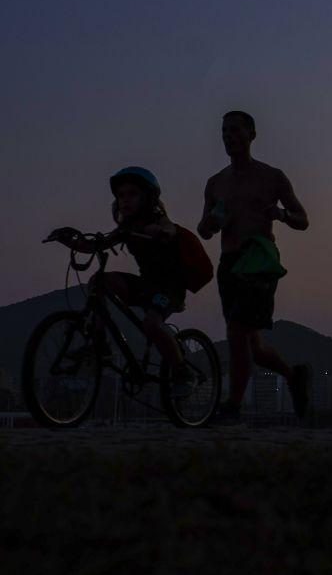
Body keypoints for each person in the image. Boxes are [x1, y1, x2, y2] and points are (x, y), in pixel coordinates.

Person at [198, 110, 311, 423]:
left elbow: (303, 219)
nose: (228, 136)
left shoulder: (272, 177)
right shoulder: (215, 183)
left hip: (259, 262)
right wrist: (212, 222)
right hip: (229, 264)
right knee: (252, 344)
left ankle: (232, 406)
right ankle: (293, 376)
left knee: (236, 331)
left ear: (252, 134)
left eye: (235, 130)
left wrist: (280, 215)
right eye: (224, 131)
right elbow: (203, 229)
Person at [50, 167, 196, 397]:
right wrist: (68, 240)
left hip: (169, 288)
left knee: (151, 325)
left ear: (148, 197)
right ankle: (100, 343)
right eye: (121, 196)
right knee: (99, 281)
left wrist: (160, 232)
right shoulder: (125, 229)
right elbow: (92, 247)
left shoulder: (158, 219)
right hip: (145, 285)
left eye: (132, 194)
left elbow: (168, 229)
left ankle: (182, 371)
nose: (125, 200)